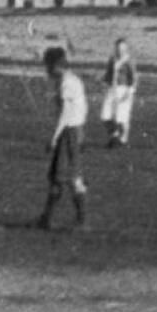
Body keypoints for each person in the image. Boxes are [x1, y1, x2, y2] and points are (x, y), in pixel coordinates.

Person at [36, 46, 88, 231]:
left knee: (72, 177)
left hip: (69, 132)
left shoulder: (67, 83)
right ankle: (46, 218)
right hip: (73, 131)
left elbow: (66, 113)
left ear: (55, 65)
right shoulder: (71, 80)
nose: (46, 70)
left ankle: (81, 221)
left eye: (48, 66)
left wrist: (54, 137)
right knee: (57, 177)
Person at [100, 38, 138, 148]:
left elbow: (134, 77)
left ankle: (124, 140)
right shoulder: (112, 59)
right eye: (118, 48)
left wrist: (130, 92)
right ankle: (114, 135)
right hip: (112, 89)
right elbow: (108, 74)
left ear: (126, 48)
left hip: (124, 89)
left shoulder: (129, 60)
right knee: (105, 116)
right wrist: (103, 82)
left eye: (122, 48)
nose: (120, 51)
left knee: (122, 117)